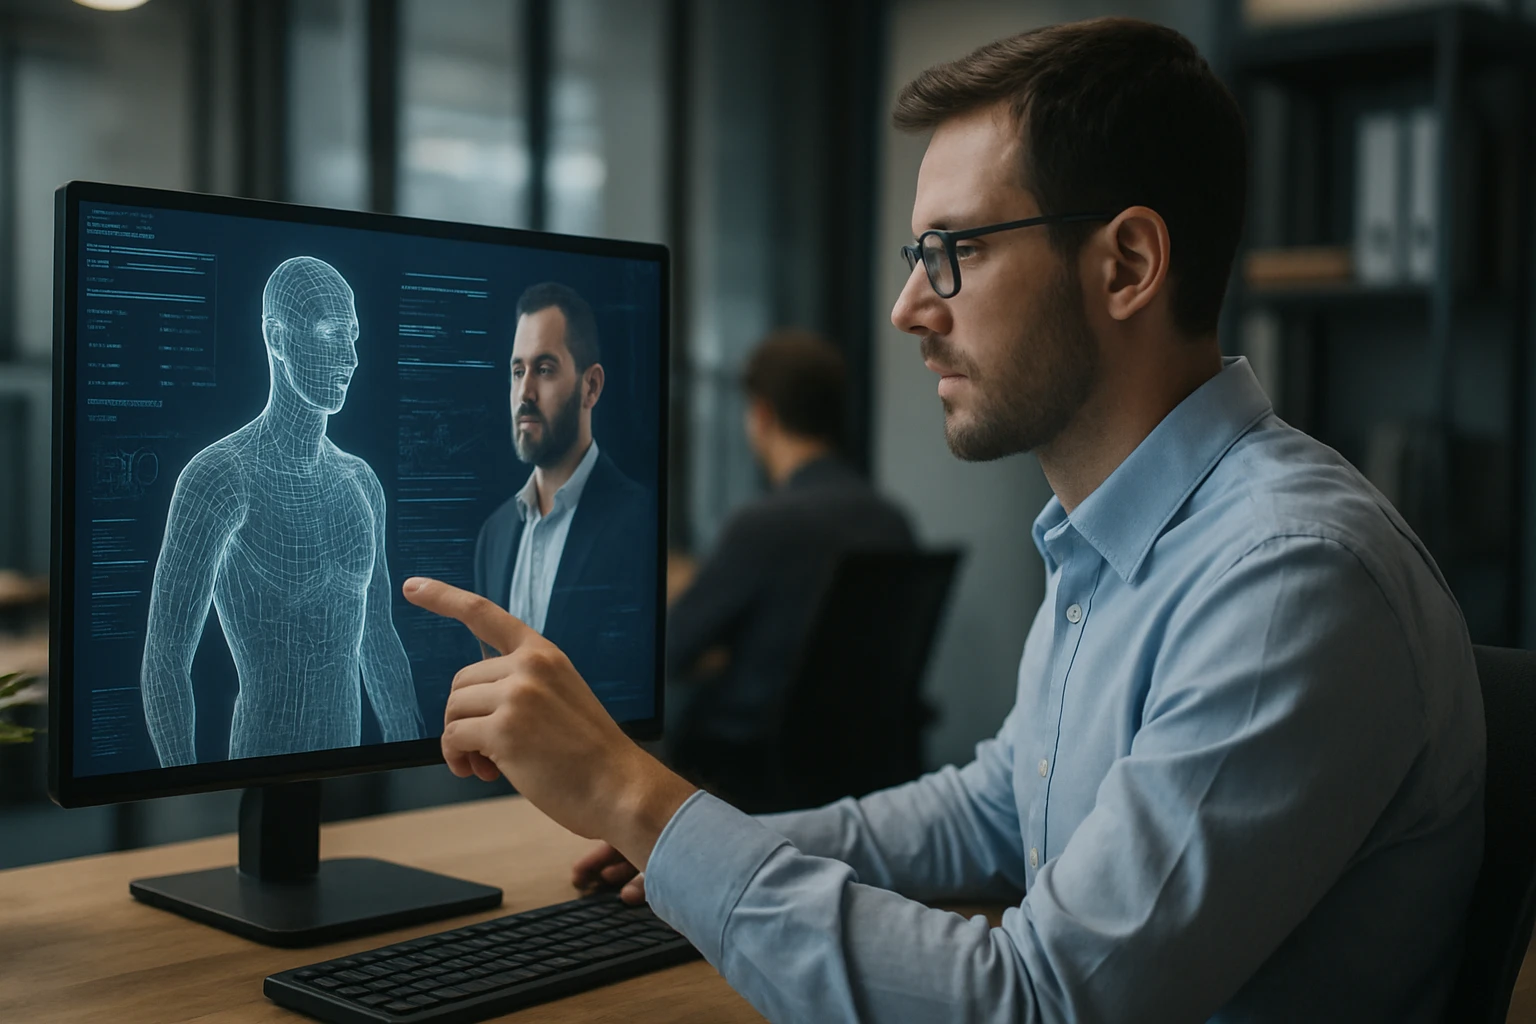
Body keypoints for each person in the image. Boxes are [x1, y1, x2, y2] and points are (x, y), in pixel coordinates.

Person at [399, 17, 1484, 1023]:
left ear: (1127, 265)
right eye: (914, 258)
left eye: (954, 252)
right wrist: (699, 840)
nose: (908, 308)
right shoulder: (1113, 540)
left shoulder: (1285, 581)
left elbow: (1036, 1003)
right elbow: (996, 809)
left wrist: (636, 797)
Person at [142, 256, 423, 767]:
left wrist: (415, 759)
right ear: (276, 337)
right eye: (330, 334)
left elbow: (379, 637)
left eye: (353, 336)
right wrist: (180, 783)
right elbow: (166, 657)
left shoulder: (360, 483)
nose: (350, 357)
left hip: (348, 779)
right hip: (260, 766)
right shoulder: (220, 477)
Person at [665, 329, 914, 807]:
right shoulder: (891, 521)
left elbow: (673, 649)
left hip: (746, 775)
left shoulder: (762, 526)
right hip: (859, 774)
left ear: (761, 415)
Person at [473, 281, 651, 698]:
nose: (525, 393)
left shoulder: (642, 523)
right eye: (518, 371)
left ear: (591, 387)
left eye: (545, 369)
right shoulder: (493, 535)